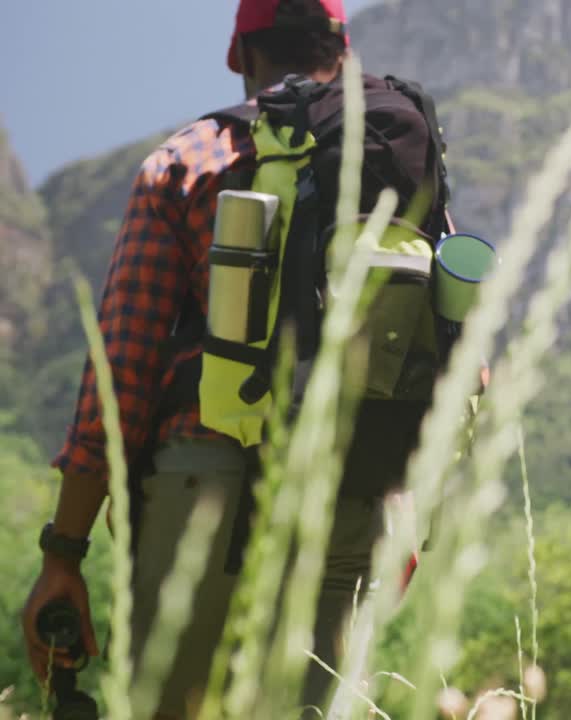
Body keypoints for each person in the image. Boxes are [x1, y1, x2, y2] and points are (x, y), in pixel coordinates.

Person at [20, 1, 461, 717]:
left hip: (205, 492)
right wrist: (408, 507)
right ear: (343, 50)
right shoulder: (402, 162)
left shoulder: (188, 158)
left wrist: (63, 551)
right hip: (352, 495)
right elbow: (456, 356)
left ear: (241, 56)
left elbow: (120, 379)